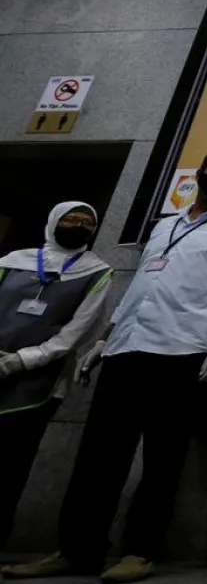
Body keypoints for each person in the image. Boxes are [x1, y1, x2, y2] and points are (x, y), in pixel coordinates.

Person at [3, 152, 207, 584]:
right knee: (97, 457)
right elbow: (141, 284)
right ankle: (77, 550)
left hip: (185, 352)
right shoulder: (164, 225)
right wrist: (105, 338)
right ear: (198, 175)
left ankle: (140, 551)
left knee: (163, 459)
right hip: (127, 349)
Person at [0, 202, 113, 551]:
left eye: (87, 222)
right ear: (53, 221)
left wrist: (20, 361)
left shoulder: (97, 273)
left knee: (8, 470)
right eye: (70, 219)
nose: (78, 225)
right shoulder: (11, 261)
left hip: (37, 384)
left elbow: (77, 333)